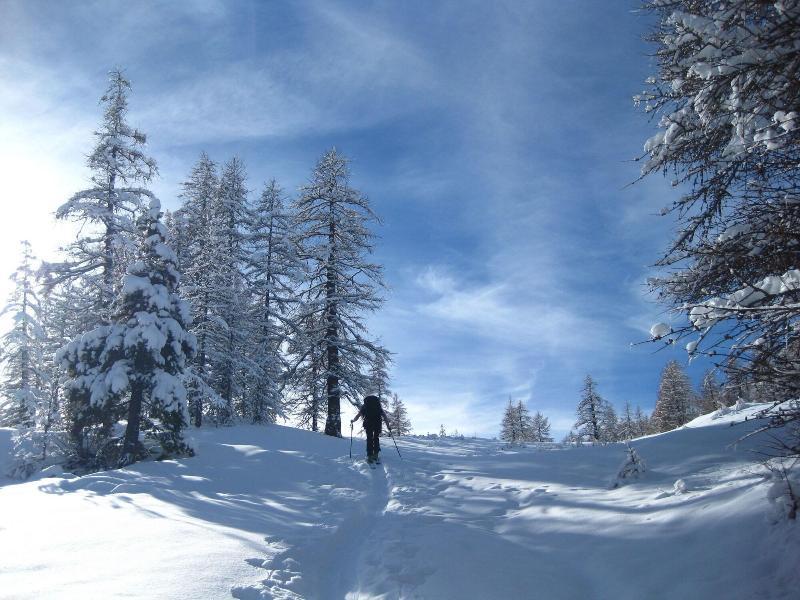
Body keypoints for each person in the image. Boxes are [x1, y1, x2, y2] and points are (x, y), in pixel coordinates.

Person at [351, 394, 392, 463]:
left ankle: (369, 455)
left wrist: (353, 420)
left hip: (368, 424)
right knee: (376, 438)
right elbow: (384, 416)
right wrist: (388, 426)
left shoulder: (365, 406)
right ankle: (375, 455)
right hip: (377, 424)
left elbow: (358, 415)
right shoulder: (378, 407)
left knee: (369, 438)